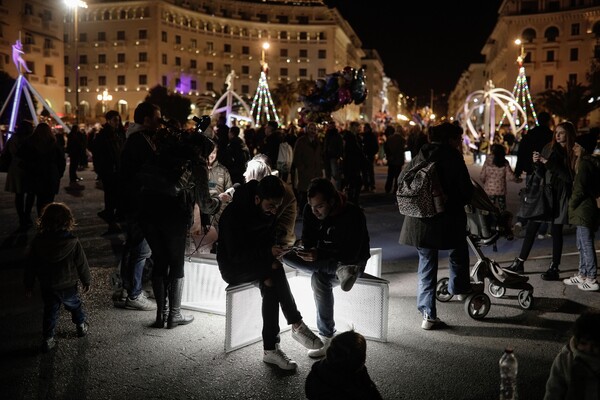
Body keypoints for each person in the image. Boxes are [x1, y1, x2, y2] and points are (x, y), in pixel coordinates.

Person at [217, 175, 322, 371]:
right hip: (233, 267)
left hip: (258, 262)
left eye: (277, 206)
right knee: (273, 269)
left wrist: (277, 248)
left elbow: (268, 240)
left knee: (270, 282)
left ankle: (271, 349)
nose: (274, 211)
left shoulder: (269, 212)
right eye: (271, 206)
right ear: (257, 199)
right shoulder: (233, 215)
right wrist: (267, 253)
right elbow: (234, 255)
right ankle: (296, 325)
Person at [282, 177, 370, 357]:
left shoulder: (353, 213)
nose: (314, 211)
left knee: (319, 278)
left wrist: (319, 254)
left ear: (332, 200)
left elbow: (352, 254)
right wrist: (303, 248)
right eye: (311, 206)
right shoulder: (310, 210)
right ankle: (338, 270)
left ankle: (327, 336)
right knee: (283, 255)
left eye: (319, 206)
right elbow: (308, 239)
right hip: (325, 261)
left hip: (352, 264)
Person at [398, 122, 474, 330]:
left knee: (426, 264)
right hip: (446, 219)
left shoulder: (420, 154)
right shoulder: (453, 157)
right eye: (458, 139)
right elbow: (466, 191)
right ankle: (459, 288)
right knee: (459, 249)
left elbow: (401, 180)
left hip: (419, 221)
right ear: (450, 139)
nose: (460, 143)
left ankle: (427, 315)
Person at [506, 121, 577, 280]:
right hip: (544, 193)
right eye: (556, 132)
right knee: (532, 226)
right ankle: (520, 262)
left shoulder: (572, 152)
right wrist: (536, 163)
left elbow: (567, 177)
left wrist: (547, 162)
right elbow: (540, 174)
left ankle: (554, 267)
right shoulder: (548, 147)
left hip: (560, 195)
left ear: (569, 134)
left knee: (556, 231)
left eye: (562, 133)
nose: (557, 135)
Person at [24, 202, 91, 352]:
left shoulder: (38, 242)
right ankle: (80, 326)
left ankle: (48, 338)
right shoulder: (73, 242)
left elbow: (31, 265)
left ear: (44, 220)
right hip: (67, 284)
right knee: (75, 305)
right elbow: (82, 263)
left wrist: (28, 284)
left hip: (48, 285)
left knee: (50, 311)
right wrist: (86, 280)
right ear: (68, 221)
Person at [114, 102, 159, 311]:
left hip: (131, 202)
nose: (160, 122)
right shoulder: (139, 141)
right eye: (157, 118)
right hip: (138, 203)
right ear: (147, 119)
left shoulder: (135, 138)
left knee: (133, 247)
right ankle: (134, 293)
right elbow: (150, 170)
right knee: (140, 250)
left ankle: (128, 288)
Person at [563, 131, 599, 291]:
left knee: (585, 243)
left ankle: (591, 278)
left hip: (584, 209)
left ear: (583, 148)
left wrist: (571, 205)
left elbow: (580, 189)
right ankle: (582, 273)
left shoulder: (585, 164)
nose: (574, 148)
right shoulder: (585, 163)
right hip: (583, 209)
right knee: (581, 243)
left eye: (577, 145)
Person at [305, 330, 383, 400]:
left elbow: (309, 392)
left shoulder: (317, 370)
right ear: (361, 362)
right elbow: (370, 391)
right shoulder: (356, 381)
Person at [543, 310, 600, 400]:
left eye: (595, 345)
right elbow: (553, 391)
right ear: (577, 341)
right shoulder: (565, 359)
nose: (589, 349)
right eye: (583, 343)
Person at [513, 111, 554, 234]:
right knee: (546, 198)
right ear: (548, 121)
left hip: (531, 170)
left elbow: (522, 153)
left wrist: (518, 170)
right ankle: (542, 229)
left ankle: (523, 221)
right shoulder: (550, 136)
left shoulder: (529, 135)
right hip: (547, 171)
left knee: (530, 195)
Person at [17, 122, 66, 216]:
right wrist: (59, 174)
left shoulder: (30, 143)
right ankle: (46, 220)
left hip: (35, 174)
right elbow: (61, 161)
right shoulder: (54, 143)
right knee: (48, 200)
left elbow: (21, 157)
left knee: (38, 199)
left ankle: (36, 218)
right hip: (51, 175)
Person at [92, 110, 125, 234]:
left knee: (117, 196)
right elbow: (98, 155)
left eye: (118, 120)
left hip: (119, 171)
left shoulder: (120, 134)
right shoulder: (103, 136)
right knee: (110, 197)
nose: (117, 122)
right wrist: (100, 171)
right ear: (109, 121)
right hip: (109, 171)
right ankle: (111, 221)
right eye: (115, 120)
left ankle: (114, 217)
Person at [2, 120, 36, 229]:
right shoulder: (29, 140)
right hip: (25, 168)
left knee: (19, 194)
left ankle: (23, 217)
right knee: (29, 193)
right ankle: (26, 216)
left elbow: (7, 153)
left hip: (16, 168)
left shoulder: (13, 139)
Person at [292, 122, 324, 215]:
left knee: (314, 191)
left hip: (316, 171)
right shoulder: (301, 141)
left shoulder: (317, 141)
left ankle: (312, 210)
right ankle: (303, 210)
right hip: (305, 171)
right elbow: (296, 156)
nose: (313, 131)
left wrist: (320, 166)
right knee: (304, 191)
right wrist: (301, 168)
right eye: (311, 129)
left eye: (314, 129)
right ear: (307, 130)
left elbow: (320, 155)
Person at [479, 143, 516, 212]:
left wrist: (485, 182)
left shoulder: (487, 161)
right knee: (502, 208)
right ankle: (502, 220)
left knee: (490, 208)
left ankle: (491, 221)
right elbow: (510, 176)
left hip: (489, 189)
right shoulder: (504, 162)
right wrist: (517, 179)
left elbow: (482, 175)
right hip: (500, 189)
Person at [383, 125, 406, 195]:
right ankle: (395, 189)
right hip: (399, 160)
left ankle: (388, 188)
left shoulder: (390, 138)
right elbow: (403, 149)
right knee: (397, 176)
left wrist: (389, 155)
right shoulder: (402, 139)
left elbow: (386, 148)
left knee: (390, 175)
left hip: (391, 159)